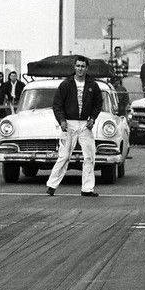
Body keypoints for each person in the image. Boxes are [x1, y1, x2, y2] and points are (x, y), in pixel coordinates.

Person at [46, 55, 103, 197]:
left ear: (86, 68)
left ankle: (87, 188)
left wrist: (93, 118)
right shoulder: (66, 84)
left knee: (89, 156)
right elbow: (57, 105)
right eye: (78, 66)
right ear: (74, 67)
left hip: (85, 125)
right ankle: (52, 185)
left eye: (83, 66)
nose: (80, 69)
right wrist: (62, 120)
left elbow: (98, 104)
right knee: (64, 156)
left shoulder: (92, 85)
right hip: (69, 124)